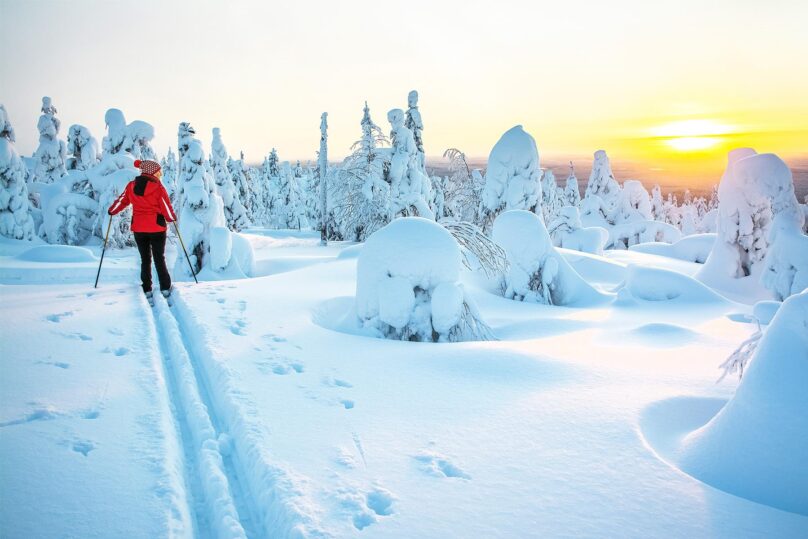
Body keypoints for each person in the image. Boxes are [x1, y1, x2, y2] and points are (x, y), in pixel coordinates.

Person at [108, 159, 177, 304]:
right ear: (152, 172)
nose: (160, 174)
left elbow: (122, 201)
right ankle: (165, 287)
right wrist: (171, 218)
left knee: (145, 259)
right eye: (158, 172)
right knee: (159, 258)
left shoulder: (132, 186)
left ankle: (147, 288)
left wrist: (112, 211)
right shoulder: (158, 187)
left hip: (139, 229)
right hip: (157, 228)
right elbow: (166, 206)